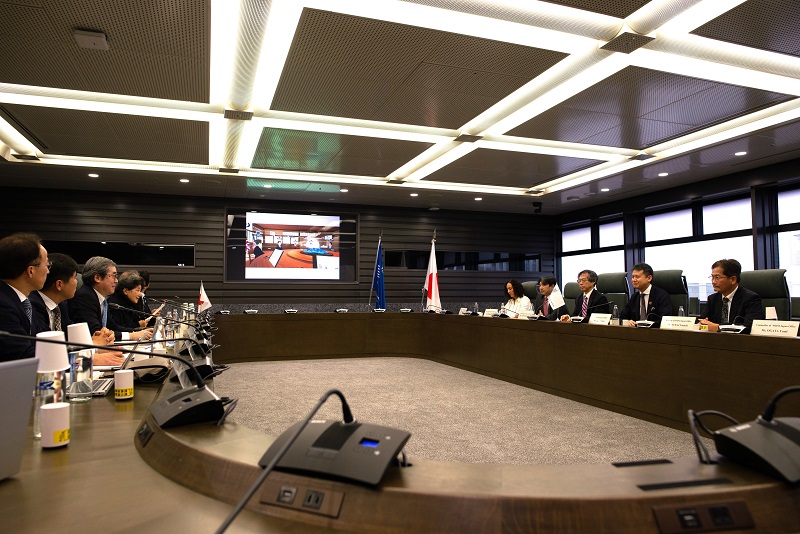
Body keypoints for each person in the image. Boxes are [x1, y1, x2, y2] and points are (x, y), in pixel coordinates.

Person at [29, 253, 122, 366]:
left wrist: (94, 345)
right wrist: (89, 357)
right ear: (59, 284)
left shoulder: (60, 305)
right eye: (74, 278)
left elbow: (69, 342)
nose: (77, 282)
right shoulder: (33, 306)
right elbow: (45, 353)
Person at [68, 256, 152, 342]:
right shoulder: (85, 297)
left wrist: (140, 332)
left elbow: (112, 327)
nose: (116, 281)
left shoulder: (101, 299)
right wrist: (132, 336)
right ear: (97, 278)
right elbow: (97, 333)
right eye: (113, 276)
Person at [0, 233, 49, 361]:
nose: (48, 271)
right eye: (47, 265)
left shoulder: (24, 301)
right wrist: (82, 358)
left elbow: (44, 341)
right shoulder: (3, 305)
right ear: (31, 270)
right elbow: (24, 355)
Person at [699, 259, 764, 334]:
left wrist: (718, 327)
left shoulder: (750, 299)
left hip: (740, 343)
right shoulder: (712, 299)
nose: (713, 282)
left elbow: (749, 326)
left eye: (717, 277)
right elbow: (702, 321)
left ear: (733, 279)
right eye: (712, 277)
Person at [620, 263, 673, 327]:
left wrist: (648, 325)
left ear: (649, 278)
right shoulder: (634, 297)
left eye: (637, 277)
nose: (634, 280)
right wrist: (627, 322)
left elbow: (665, 320)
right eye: (633, 277)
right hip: (635, 334)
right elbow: (621, 317)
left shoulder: (661, 296)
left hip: (655, 333)